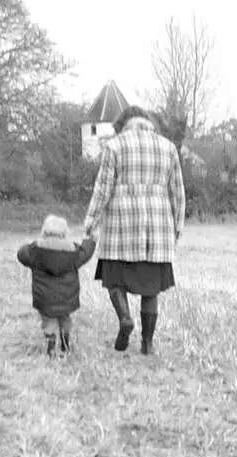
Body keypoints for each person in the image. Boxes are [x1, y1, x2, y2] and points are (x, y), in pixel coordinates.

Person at [82, 105, 186, 355]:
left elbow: (102, 190)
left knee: (114, 279)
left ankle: (125, 319)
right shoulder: (168, 147)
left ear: (122, 125)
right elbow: (178, 192)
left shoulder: (115, 147)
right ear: (148, 122)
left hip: (121, 227)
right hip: (157, 231)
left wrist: (91, 224)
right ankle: (147, 344)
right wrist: (177, 225)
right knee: (151, 290)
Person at [17, 215, 96, 357]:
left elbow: (21, 254)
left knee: (49, 320)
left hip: (44, 297)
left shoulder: (35, 250)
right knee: (65, 318)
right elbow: (86, 252)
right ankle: (65, 346)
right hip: (67, 297)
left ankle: (51, 349)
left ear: (44, 230)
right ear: (65, 232)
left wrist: (32, 243)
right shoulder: (73, 251)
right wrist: (89, 238)